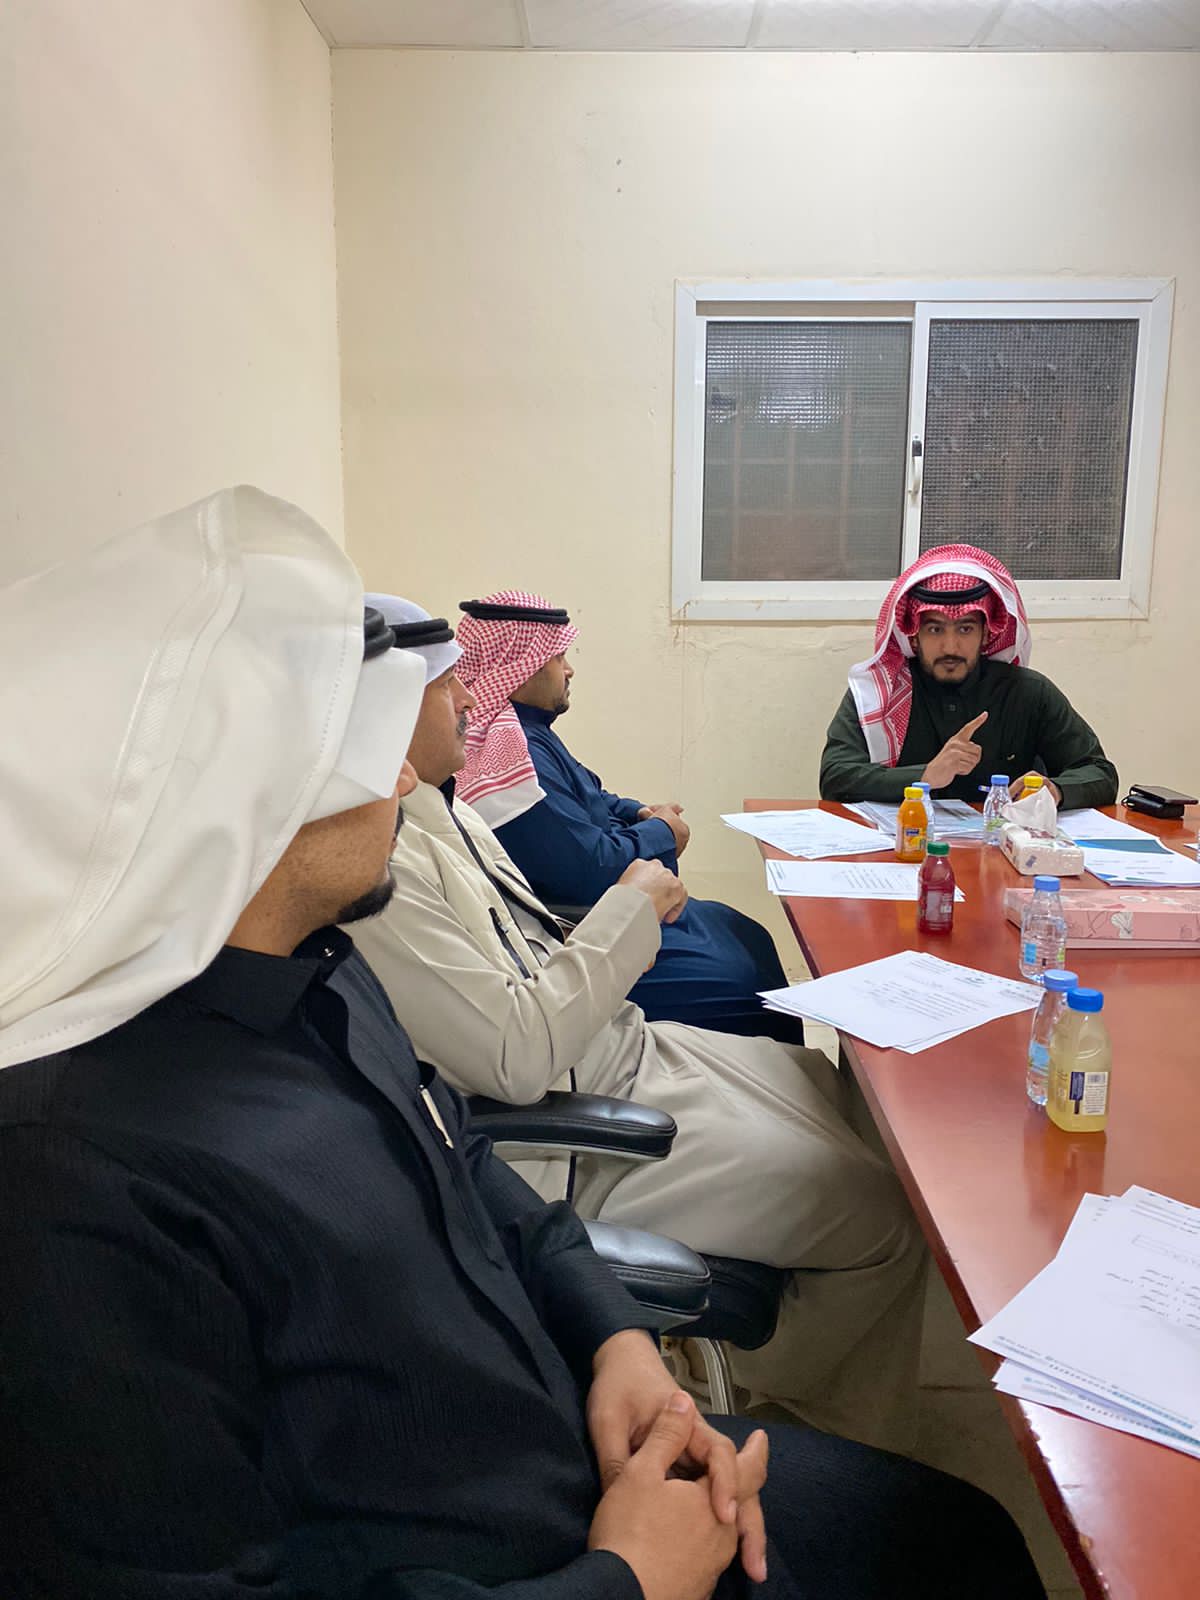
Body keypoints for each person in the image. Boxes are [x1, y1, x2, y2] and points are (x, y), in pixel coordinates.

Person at [0, 491, 1048, 1600]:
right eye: (357, 751)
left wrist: (612, 1339)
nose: (404, 779)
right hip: (555, 1557)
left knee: (965, 1538)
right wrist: (628, 1576)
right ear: (229, 794)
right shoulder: (69, 1186)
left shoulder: (317, 974)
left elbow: (461, 1164)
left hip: (581, 1429)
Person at [354, 596, 928, 1453]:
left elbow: (538, 947)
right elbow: (515, 1057)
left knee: (846, 1092)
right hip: (570, 1142)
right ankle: (810, 1424)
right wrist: (630, 906)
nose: (472, 699)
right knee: (883, 1212)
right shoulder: (382, 872)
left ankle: (792, 1367)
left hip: (620, 1050)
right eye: (445, 688)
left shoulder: (448, 813)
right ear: (385, 714)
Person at [450, 591, 804, 1045]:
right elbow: (589, 872)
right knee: (746, 989)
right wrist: (663, 832)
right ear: (523, 666)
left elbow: (592, 794)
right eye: (558, 658)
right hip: (581, 932)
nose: (569, 670)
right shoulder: (514, 762)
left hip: (608, 908)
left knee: (747, 933)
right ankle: (780, 1084)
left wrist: (639, 812)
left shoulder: (527, 732)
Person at [819, 544, 1118, 808]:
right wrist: (925, 776)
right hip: (905, 844)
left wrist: (1056, 790)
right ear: (913, 636)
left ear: (986, 634)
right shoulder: (879, 693)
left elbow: (1099, 773)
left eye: (965, 629)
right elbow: (835, 777)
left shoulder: (1027, 692)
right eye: (935, 629)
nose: (950, 647)